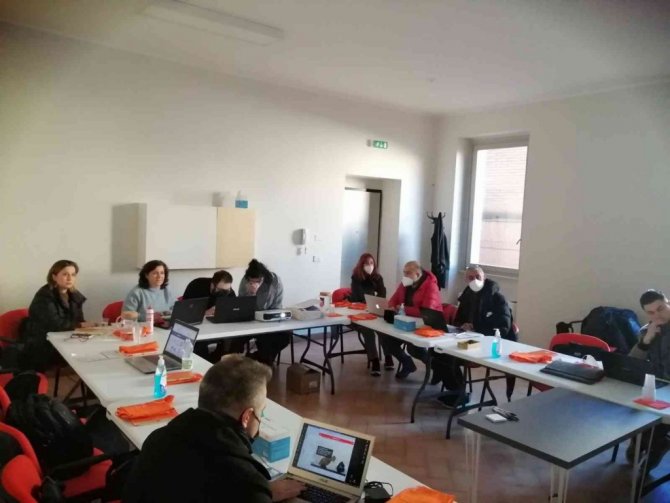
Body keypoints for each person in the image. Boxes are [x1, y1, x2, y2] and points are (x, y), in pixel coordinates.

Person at [123, 354, 305, 503]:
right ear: (247, 417)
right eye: (261, 412)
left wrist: (263, 492)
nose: (260, 419)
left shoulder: (158, 438)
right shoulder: (243, 481)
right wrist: (259, 493)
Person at [431, 265, 515, 404]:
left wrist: (476, 327)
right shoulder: (467, 296)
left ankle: (460, 396)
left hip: (489, 343)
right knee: (436, 351)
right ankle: (454, 390)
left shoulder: (497, 298)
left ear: (484, 278)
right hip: (468, 337)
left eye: (478, 277)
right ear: (466, 280)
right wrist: (463, 325)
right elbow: (459, 319)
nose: (474, 280)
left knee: (449, 357)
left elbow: (503, 327)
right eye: (471, 277)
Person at [18, 260, 91, 371]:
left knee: (95, 349)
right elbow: (55, 324)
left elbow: (79, 319)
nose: (70, 278)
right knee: (88, 354)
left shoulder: (73, 295)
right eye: (65, 274)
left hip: (66, 339)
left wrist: (91, 327)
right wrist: (80, 325)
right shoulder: (45, 296)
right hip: (44, 344)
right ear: (54, 277)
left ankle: (89, 380)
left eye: (73, 275)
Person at [626, 289, 670, 472]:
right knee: (634, 408)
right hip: (656, 385)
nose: (657, 316)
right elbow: (632, 363)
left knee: (656, 422)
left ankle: (658, 444)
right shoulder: (646, 331)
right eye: (651, 313)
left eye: (661, 309)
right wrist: (646, 341)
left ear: (668, 303)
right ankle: (642, 440)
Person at [380, 261, 442, 379]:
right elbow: (394, 299)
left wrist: (404, 309)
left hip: (426, 325)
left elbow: (426, 311)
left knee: (413, 348)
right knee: (386, 338)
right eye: (404, 272)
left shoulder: (431, 286)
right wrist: (392, 306)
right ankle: (407, 363)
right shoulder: (405, 283)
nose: (405, 275)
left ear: (418, 274)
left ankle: (436, 367)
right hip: (406, 322)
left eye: (408, 273)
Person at [232, 259, 290, 366]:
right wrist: (251, 294)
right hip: (250, 320)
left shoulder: (275, 281)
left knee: (285, 336)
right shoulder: (245, 281)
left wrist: (269, 316)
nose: (254, 283)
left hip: (269, 320)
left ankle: (258, 357)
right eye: (251, 281)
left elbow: (277, 306)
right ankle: (262, 360)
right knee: (236, 339)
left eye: (258, 281)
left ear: (263, 276)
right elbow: (241, 306)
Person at [349, 253, 392, 375]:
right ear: (361, 265)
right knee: (368, 330)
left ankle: (388, 356)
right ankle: (374, 359)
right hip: (360, 312)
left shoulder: (377, 277)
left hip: (375, 310)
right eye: (367, 263)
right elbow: (358, 296)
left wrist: (375, 302)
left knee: (382, 328)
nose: (370, 265)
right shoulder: (356, 278)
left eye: (372, 263)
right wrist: (369, 301)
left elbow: (382, 294)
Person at [183, 270, 236, 362]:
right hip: (197, 326)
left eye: (226, 291)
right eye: (220, 290)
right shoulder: (196, 286)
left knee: (234, 340)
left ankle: (222, 361)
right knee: (200, 345)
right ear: (212, 284)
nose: (223, 293)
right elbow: (184, 311)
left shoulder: (228, 291)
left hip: (218, 326)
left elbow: (235, 308)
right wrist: (205, 312)